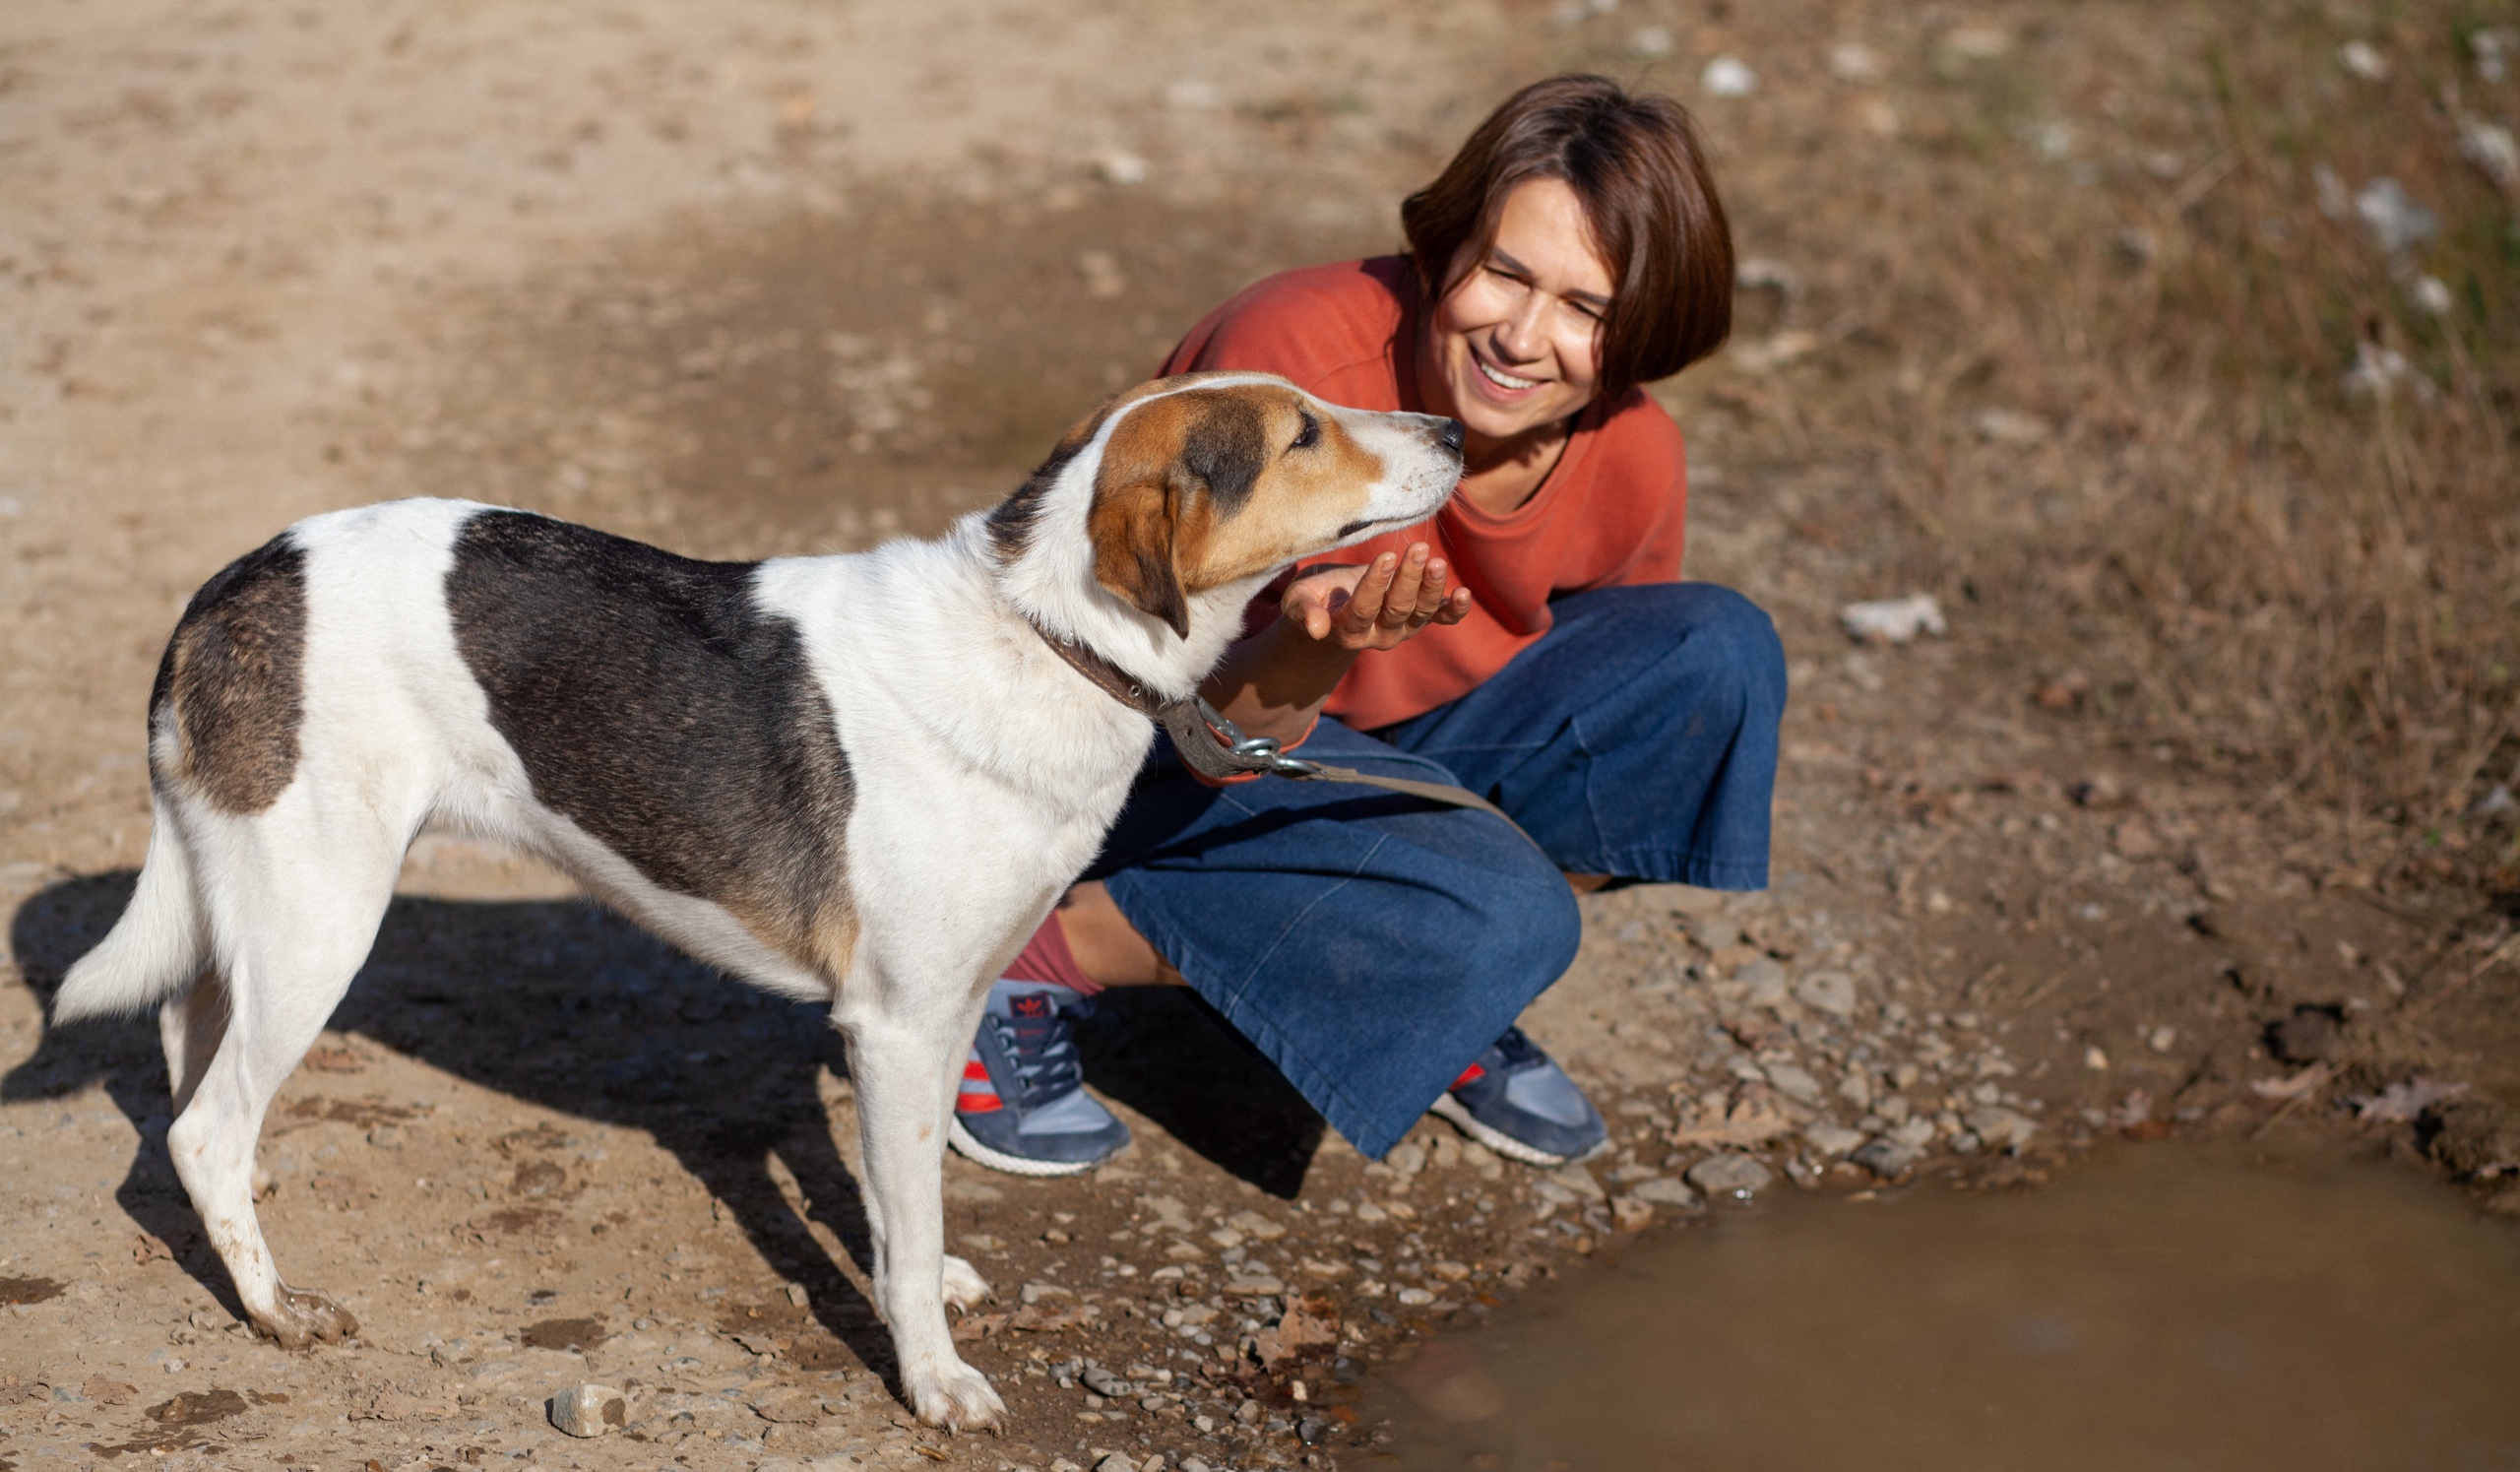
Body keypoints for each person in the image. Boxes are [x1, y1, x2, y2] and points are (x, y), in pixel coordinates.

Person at [948, 74, 1785, 1177]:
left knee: (1712, 657)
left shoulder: (1635, 450)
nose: (1524, 338)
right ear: (1448, 248)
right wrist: (1318, 639)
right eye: (1505, 274)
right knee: (1512, 914)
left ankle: (1420, 966)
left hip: (1370, 757)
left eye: (1586, 309)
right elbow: (1177, 723)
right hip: (1166, 752)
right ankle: (1035, 953)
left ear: (1643, 332)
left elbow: (1608, 744)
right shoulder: (1286, 364)